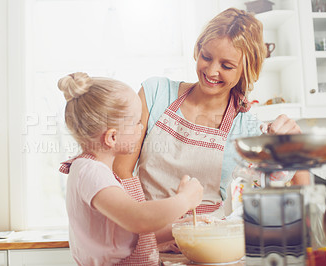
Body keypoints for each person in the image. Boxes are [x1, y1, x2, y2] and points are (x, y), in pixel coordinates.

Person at [113, 7, 309, 220]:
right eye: (206, 57)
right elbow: (120, 171)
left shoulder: (246, 127)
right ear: (198, 49)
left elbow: (295, 183)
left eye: (226, 65)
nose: (211, 71)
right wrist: (148, 230)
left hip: (208, 238)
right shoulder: (154, 93)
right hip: (146, 231)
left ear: (246, 69)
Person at [57, 72, 204, 265]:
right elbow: (139, 219)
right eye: (136, 123)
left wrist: (175, 228)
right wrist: (185, 200)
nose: (141, 127)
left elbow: (122, 237)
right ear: (112, 137)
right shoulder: (91, 172)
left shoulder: (95, 171)